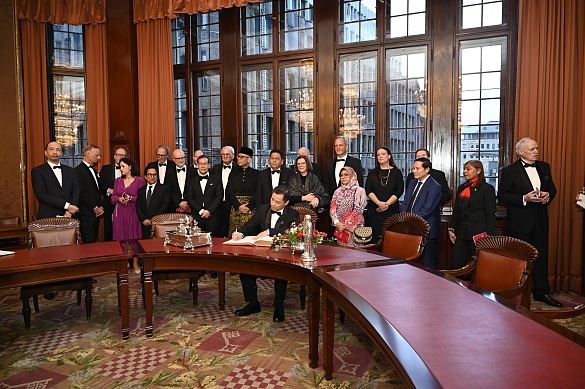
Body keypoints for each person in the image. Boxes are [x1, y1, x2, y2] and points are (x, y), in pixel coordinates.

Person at [498, 137, 561, 307]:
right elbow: (502, 196)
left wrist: (548, 196)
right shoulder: (510, 171)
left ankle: (541, 292)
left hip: (540, 220)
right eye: (532, 149)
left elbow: (553, 190)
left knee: (541, 258)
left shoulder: (544, 167)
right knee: (519, 259)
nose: (536, 151)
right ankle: (515, 292)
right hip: (519, 223)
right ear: (520, 152)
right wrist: (524, 198)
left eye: (537, 148)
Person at [231, 186, 299, 322]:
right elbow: (251, 224)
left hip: (280, 252)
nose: (273, 203)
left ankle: (279, 306)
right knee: (245, 267)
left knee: (281, 272)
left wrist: (269, 232)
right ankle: (253, 303)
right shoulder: (263, 209)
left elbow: (289, 232)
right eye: (272, 199)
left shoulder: (293, 214)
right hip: (260, 250)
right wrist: (240, 232)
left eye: (277, 202)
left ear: (286, 203)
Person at [448, 160, 496, 269]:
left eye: (468, 169)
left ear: (478, 171)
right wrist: (451, 228)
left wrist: (490, 236)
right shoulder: (462, 188)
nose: (465, 171)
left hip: (479, 234)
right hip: (463, 232)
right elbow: (457, 211)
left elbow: (490, 213)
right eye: (464, 169)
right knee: (456, 264)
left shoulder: (487, 189)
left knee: (479, 267)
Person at [400, 158, 442, 268]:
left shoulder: (435, 186)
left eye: (417, 168)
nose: (414, 171)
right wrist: (405, 220)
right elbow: (405, 203)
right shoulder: (413, 183)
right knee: (409, 261)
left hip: (424, 229)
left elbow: (427, 209)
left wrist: (410, 220)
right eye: (414, 168)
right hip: (408, 228)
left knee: (427, 262)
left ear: (427, 169)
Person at [112, 158, 146, 274]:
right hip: (120, 212)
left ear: (130, 167)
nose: (121, 169)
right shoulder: (118, 181)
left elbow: (143, 199)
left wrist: (131, 198)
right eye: (120, 167)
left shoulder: (140, 181)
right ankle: (124, 261)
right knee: (122, 237)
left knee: (134, 237)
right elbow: (113, 198)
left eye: (123, 166)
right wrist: (119, 199)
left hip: (134, 211)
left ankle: (136, 263)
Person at [31, 141, 80, 219]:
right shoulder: (37, 171)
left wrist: (70, 211)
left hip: (70, 215)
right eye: (51, 149)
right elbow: (42, 195)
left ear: (62, 153)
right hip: (48, 216)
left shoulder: (71, 170)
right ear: (45, 153)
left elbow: (76, 191)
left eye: (58, 150)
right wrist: (67, 206)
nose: (55, 152)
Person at [365, 147, 404, 241]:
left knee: (390, 238)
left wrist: (386, 204)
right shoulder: (372, 172)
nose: (380, 156)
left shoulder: (396, 172)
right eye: (378, 155)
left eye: (383, 154)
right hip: (375, 210)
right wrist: (379, 203)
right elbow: (368, 190)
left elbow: (399, 190)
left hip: (391, 210)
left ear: (389, 156)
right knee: (375, 237)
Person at [186, 155, 223, 234]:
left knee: (213, 242)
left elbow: (219, 197)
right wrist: (200, 211)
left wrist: (209, 211)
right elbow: (190, 198)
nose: (203, 166)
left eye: (205, 164)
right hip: (197, 217)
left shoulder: (216, 179)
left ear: (209, 165)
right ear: (197, 165)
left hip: (213, 217)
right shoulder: (192, 181)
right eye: (201, 164)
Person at [330, 166, 367, 247]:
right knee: (342, 254)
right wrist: (337, 223)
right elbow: (332, 209)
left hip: (355, 227)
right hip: (340, 228)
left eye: (346, 174)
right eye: (341, 175)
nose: (343, 177)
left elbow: (358, 210)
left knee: (357, 254)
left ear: (352, 176)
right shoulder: (337, 191)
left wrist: (345, 225)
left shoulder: (360, 191)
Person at [75, 144, 105, 243]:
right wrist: (94, 207)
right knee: (88, 241)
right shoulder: (78, 170)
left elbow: (96, 191)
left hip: (95, 212)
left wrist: (100, 207)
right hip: (86, 212)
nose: (99, 157)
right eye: (96, 155)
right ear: (88, 154)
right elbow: (81, 193)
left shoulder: (93, 170)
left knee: (93, 239)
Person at [226, 146, 258, 235]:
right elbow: (230, 191)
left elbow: (258, 192)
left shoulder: (256, 173)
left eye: (242, 157)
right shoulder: (233, 173)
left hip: (250, 208)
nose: (239, 159)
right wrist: (238, 206)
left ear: (249, 159)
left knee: (250, 233)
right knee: (234, 234)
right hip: (236, 207)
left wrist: (249, 206)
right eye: (238, 157)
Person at [100, 147, 127, 241]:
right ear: (114, 156)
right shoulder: (105, 169)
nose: (121, 157)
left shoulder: (130, 170)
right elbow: (100, 185)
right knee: (109, 229)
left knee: (124, 228)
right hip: (109, 204)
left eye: (123, 155)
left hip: (125, 205)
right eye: (119, 155)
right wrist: (108, 190)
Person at [210, 146, 237, 237]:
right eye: (223, 154)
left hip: (233, 204)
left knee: (232, 230)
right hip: (218, 204)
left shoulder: (238, 169)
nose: (225, 156)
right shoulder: (215, 169)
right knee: (219, 230)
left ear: (233, 155)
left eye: (228, 154)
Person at [136, 167, 170, 239]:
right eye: (150, 174)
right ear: (145, 176)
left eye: (155, 175)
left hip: (159, 224)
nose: (152, 177)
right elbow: (138, 206)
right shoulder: (140, 190)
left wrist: (154, 219)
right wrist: (143, 219)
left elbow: (165, 205)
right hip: (145, 225)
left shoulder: (164, 189)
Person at [166, 149, 195, 213]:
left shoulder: (193, 171)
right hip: (174, 208)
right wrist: (179, 203)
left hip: (191, 207)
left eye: (182, 158)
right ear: (173, 159)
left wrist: (187, 204)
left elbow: (195, 190)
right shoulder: (169, 172)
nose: (181, 160)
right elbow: (168, 190)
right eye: (178, 158)